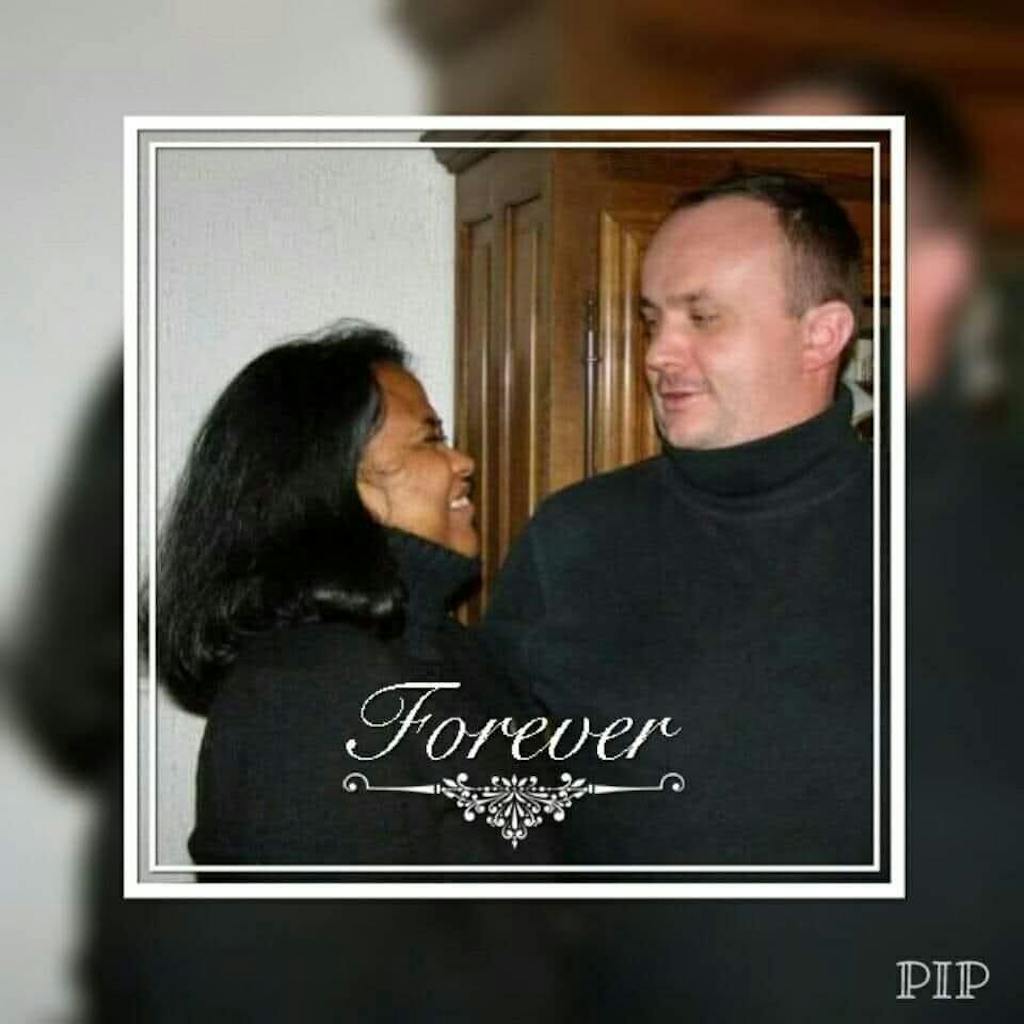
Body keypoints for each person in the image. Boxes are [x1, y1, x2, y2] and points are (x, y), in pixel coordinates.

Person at [484, 171, 873, 865]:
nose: (658, 354)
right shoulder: (573, 537)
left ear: (821, 335)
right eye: (651, 319)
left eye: (703, 317)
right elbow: (498, 811)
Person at [155, 320, 551, 866]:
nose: (464, 463)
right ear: (334, 484)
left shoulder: (451, 651)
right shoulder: (306, 693)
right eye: (430, 439)